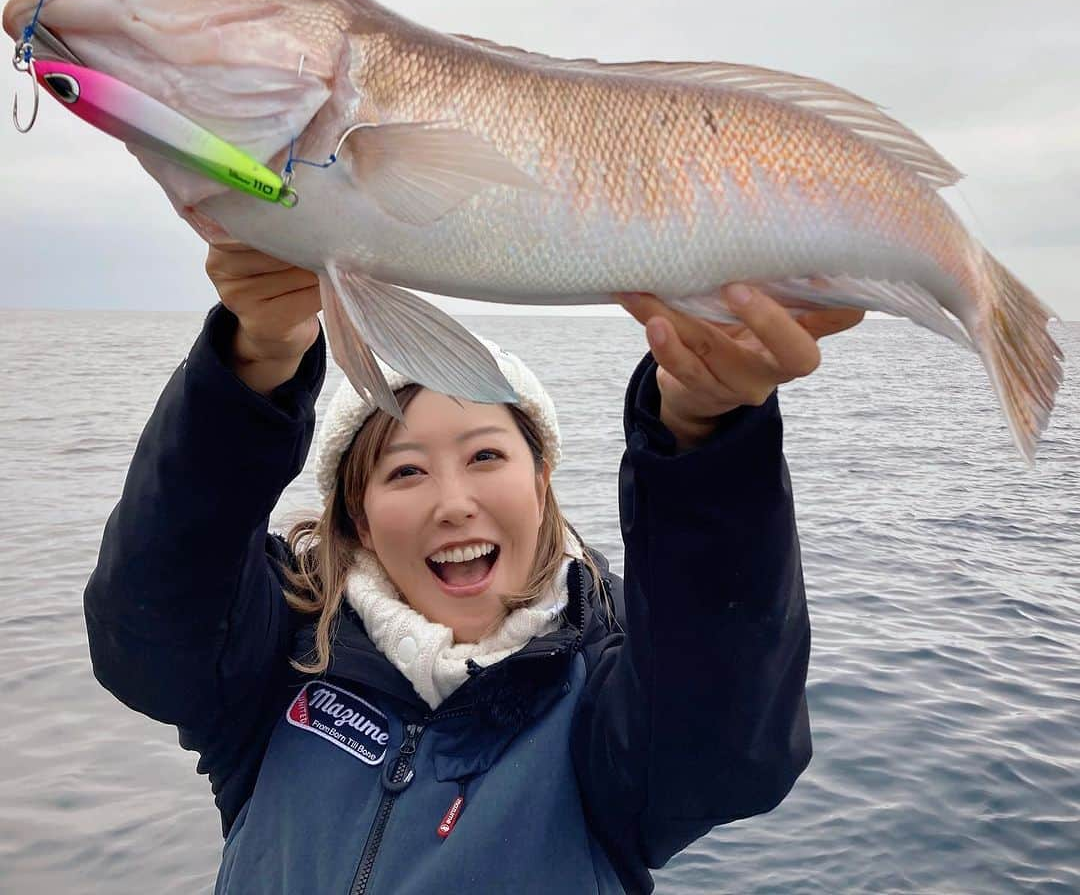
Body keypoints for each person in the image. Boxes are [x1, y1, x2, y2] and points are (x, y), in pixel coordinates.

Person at [84, 242, 863, 894]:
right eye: (405, 471)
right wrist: (256, 357)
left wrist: (706, 433)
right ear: (358, 517)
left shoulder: (608, 688)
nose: (452, 503)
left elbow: (727, 754)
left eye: (486, 456)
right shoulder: (277, 647)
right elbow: (154, 626)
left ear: (541, 481)